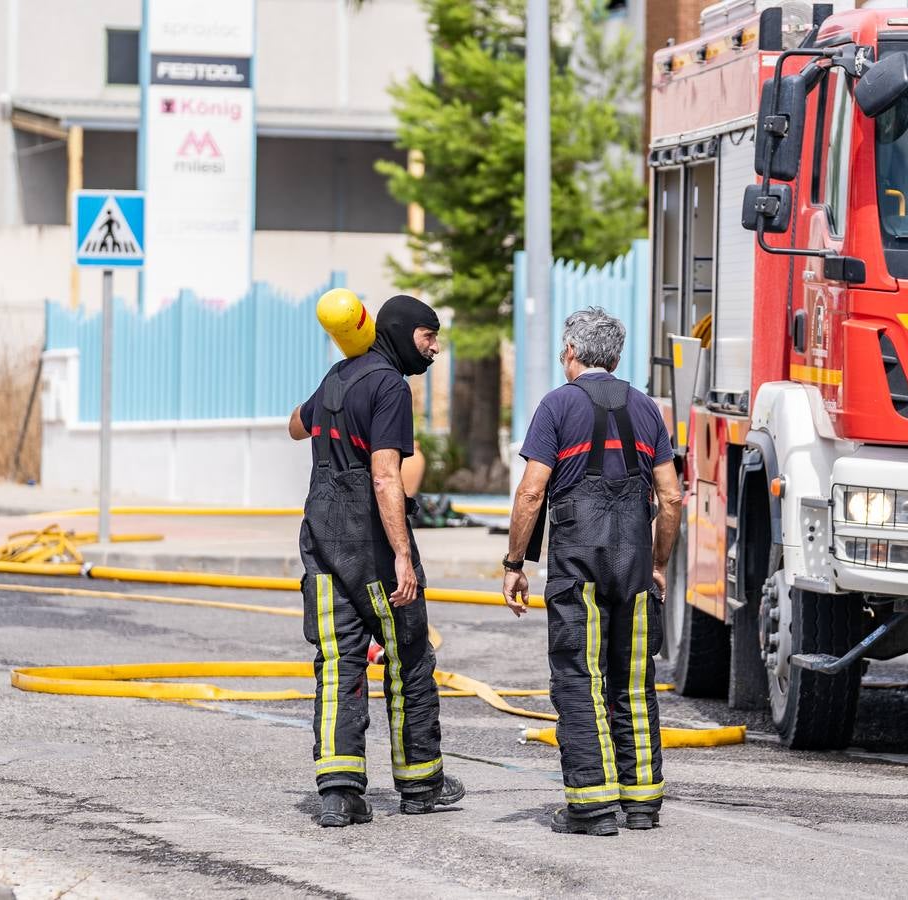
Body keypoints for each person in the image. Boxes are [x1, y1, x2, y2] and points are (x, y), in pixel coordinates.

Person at [500, 307, 684, 836]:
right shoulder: (647, 409)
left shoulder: (557, 406)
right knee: (633, 680)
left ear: (572, 354)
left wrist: (515, 564)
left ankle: (591, 806)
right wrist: (659, 563)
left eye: (564, 352)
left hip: (577, 562)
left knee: (580, 679)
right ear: (617, 356)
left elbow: (532, 491)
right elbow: (670, 497)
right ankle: (642, 802)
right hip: (634, 564)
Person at [287, 294, 463, 827]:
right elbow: (386, 475)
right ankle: (421, 784)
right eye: (428, 336)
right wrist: (403, 555)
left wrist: (328, 408)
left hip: (320, 545)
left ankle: (338, 793)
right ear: (402, 330)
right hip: (371, 549)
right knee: (409, 658)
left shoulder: (338, 376)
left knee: (337, 664)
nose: (434, 348)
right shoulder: (390, 385)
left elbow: (296, 425)